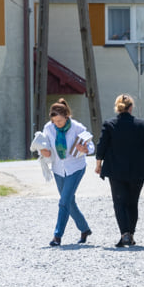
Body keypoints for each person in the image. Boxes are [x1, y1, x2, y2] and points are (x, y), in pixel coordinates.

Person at [94, 93, 144, 247]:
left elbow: (102, 146)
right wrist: (140, 159)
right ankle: (131, 234)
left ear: (117, 108)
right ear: (131, 108)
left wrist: (98, 164)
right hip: (137, 170)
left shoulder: (109, 124)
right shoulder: (141, 124)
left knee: (119, 203)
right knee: (132, 203)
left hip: (115, 170)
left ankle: (124, 234)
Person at [40, 98, 93, 247]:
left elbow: (91, 146)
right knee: (69, 201)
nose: (57, 124)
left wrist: (86, 150)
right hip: (58, 169)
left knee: (63, 202)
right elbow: (47, 149)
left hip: (75, 168)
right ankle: (85, 229)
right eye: (54, 121)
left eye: (60, 121)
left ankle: (57, 236)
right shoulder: (48, 128)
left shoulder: (77, 127)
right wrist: (44, 151)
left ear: (67, 116)